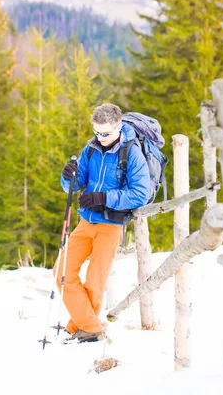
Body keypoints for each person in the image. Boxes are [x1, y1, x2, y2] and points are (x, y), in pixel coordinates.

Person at [55, 103, 151, 343]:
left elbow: (140, 193)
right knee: (61, 273)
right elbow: (74, 186)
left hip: (111, 225)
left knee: (95, 282)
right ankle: (90, 326)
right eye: (96, 132)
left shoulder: (132, 153)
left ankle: (84, 329)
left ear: (118, 126)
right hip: (86, 221)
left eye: (105, 133)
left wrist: (104, 198)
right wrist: (68, 177)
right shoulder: (91, 148)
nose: (100, 137)